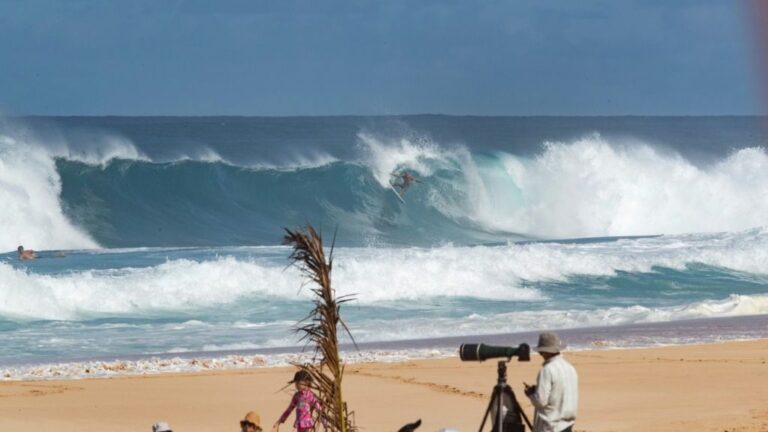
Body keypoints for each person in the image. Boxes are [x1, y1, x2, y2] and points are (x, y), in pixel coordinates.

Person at [524, 332, 578, 432]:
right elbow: (560, 391)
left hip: (551, 426)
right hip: (568, 424)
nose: (540, 354)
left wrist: (530, 394)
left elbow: (541, 401)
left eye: (541, 351)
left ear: (544, 351)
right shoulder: (570, 368)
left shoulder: (547, 370)